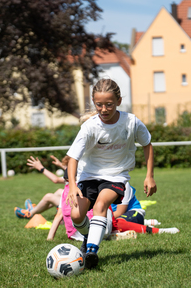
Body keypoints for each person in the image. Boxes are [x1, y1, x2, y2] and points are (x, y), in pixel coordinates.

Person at [66, 78, 157, 269]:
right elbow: (73, 158)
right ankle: (88, 237)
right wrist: (73, 185)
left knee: (101, 204)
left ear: (118, 101)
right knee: (76, 215)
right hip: (89, 175)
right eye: (99, 105)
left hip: (116, 176)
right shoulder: (89, 127)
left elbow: (147, 144)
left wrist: (149, 176)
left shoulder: (131, 122)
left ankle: (91, 252)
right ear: (93, 102)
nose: (104, 109)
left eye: (109, 104)